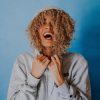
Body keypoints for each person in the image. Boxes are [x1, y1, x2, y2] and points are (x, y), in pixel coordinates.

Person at [7, 7, 91, 100]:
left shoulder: (78, 62)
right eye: (42, 23)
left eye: (54, 23)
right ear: (36, 31)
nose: (48, 27)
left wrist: (61, 81)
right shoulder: (23, 61)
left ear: (63, 30)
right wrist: (33, 78)